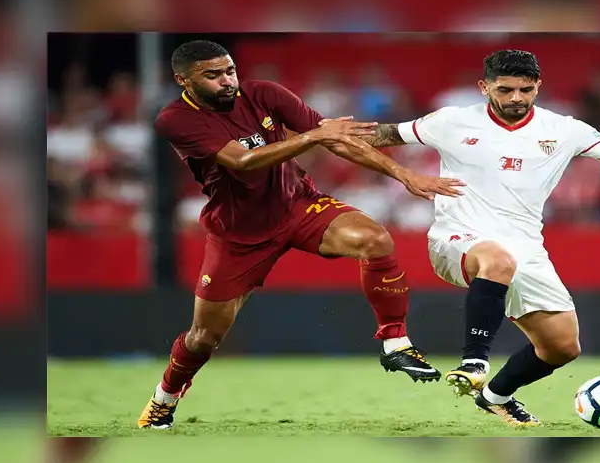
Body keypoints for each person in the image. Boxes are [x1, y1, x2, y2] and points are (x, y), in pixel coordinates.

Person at [138, 40, 465, 429]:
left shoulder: (263, 94)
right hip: (239, 233)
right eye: (213, 75)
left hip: (298, 205)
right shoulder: (175, 119)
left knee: (375, 239)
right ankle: (164, 398)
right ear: (183, 81)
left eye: (230, 71)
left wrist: (404, 174)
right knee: (203, 339)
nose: (227, 81)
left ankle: (396, 343)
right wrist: (313, 137)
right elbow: (243, 161)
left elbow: (335, 137)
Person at [346, 50, 600, 426]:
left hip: (526, 246)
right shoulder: (451, 121)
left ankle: (495, 396)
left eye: (525, 90)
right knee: (497, 260)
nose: (516, 98)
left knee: (562, 347)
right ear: (484, 87)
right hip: (457, 238)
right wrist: (327, 132)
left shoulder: (566, 129)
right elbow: (384, 135)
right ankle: (474, 362)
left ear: (538, 87)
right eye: (505, 89)